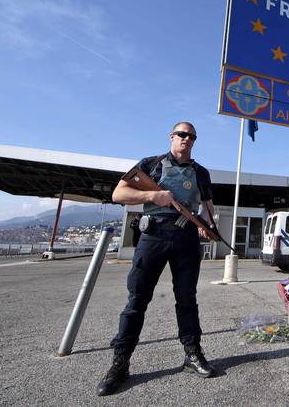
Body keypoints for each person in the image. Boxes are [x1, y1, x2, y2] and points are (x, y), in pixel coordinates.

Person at [97, 122, 216, 396]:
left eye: (192, 136)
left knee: (187, 299)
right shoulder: (151, 164)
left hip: (186, 238)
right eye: (182, 134)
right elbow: (118, 194)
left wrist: (206, 225)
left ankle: (192, 354)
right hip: (153, 235)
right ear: (172, 137)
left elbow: (208, 207)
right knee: (137, 299)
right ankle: (120, 362)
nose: (187, 139)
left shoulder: (201, 173)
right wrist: (153, 195)